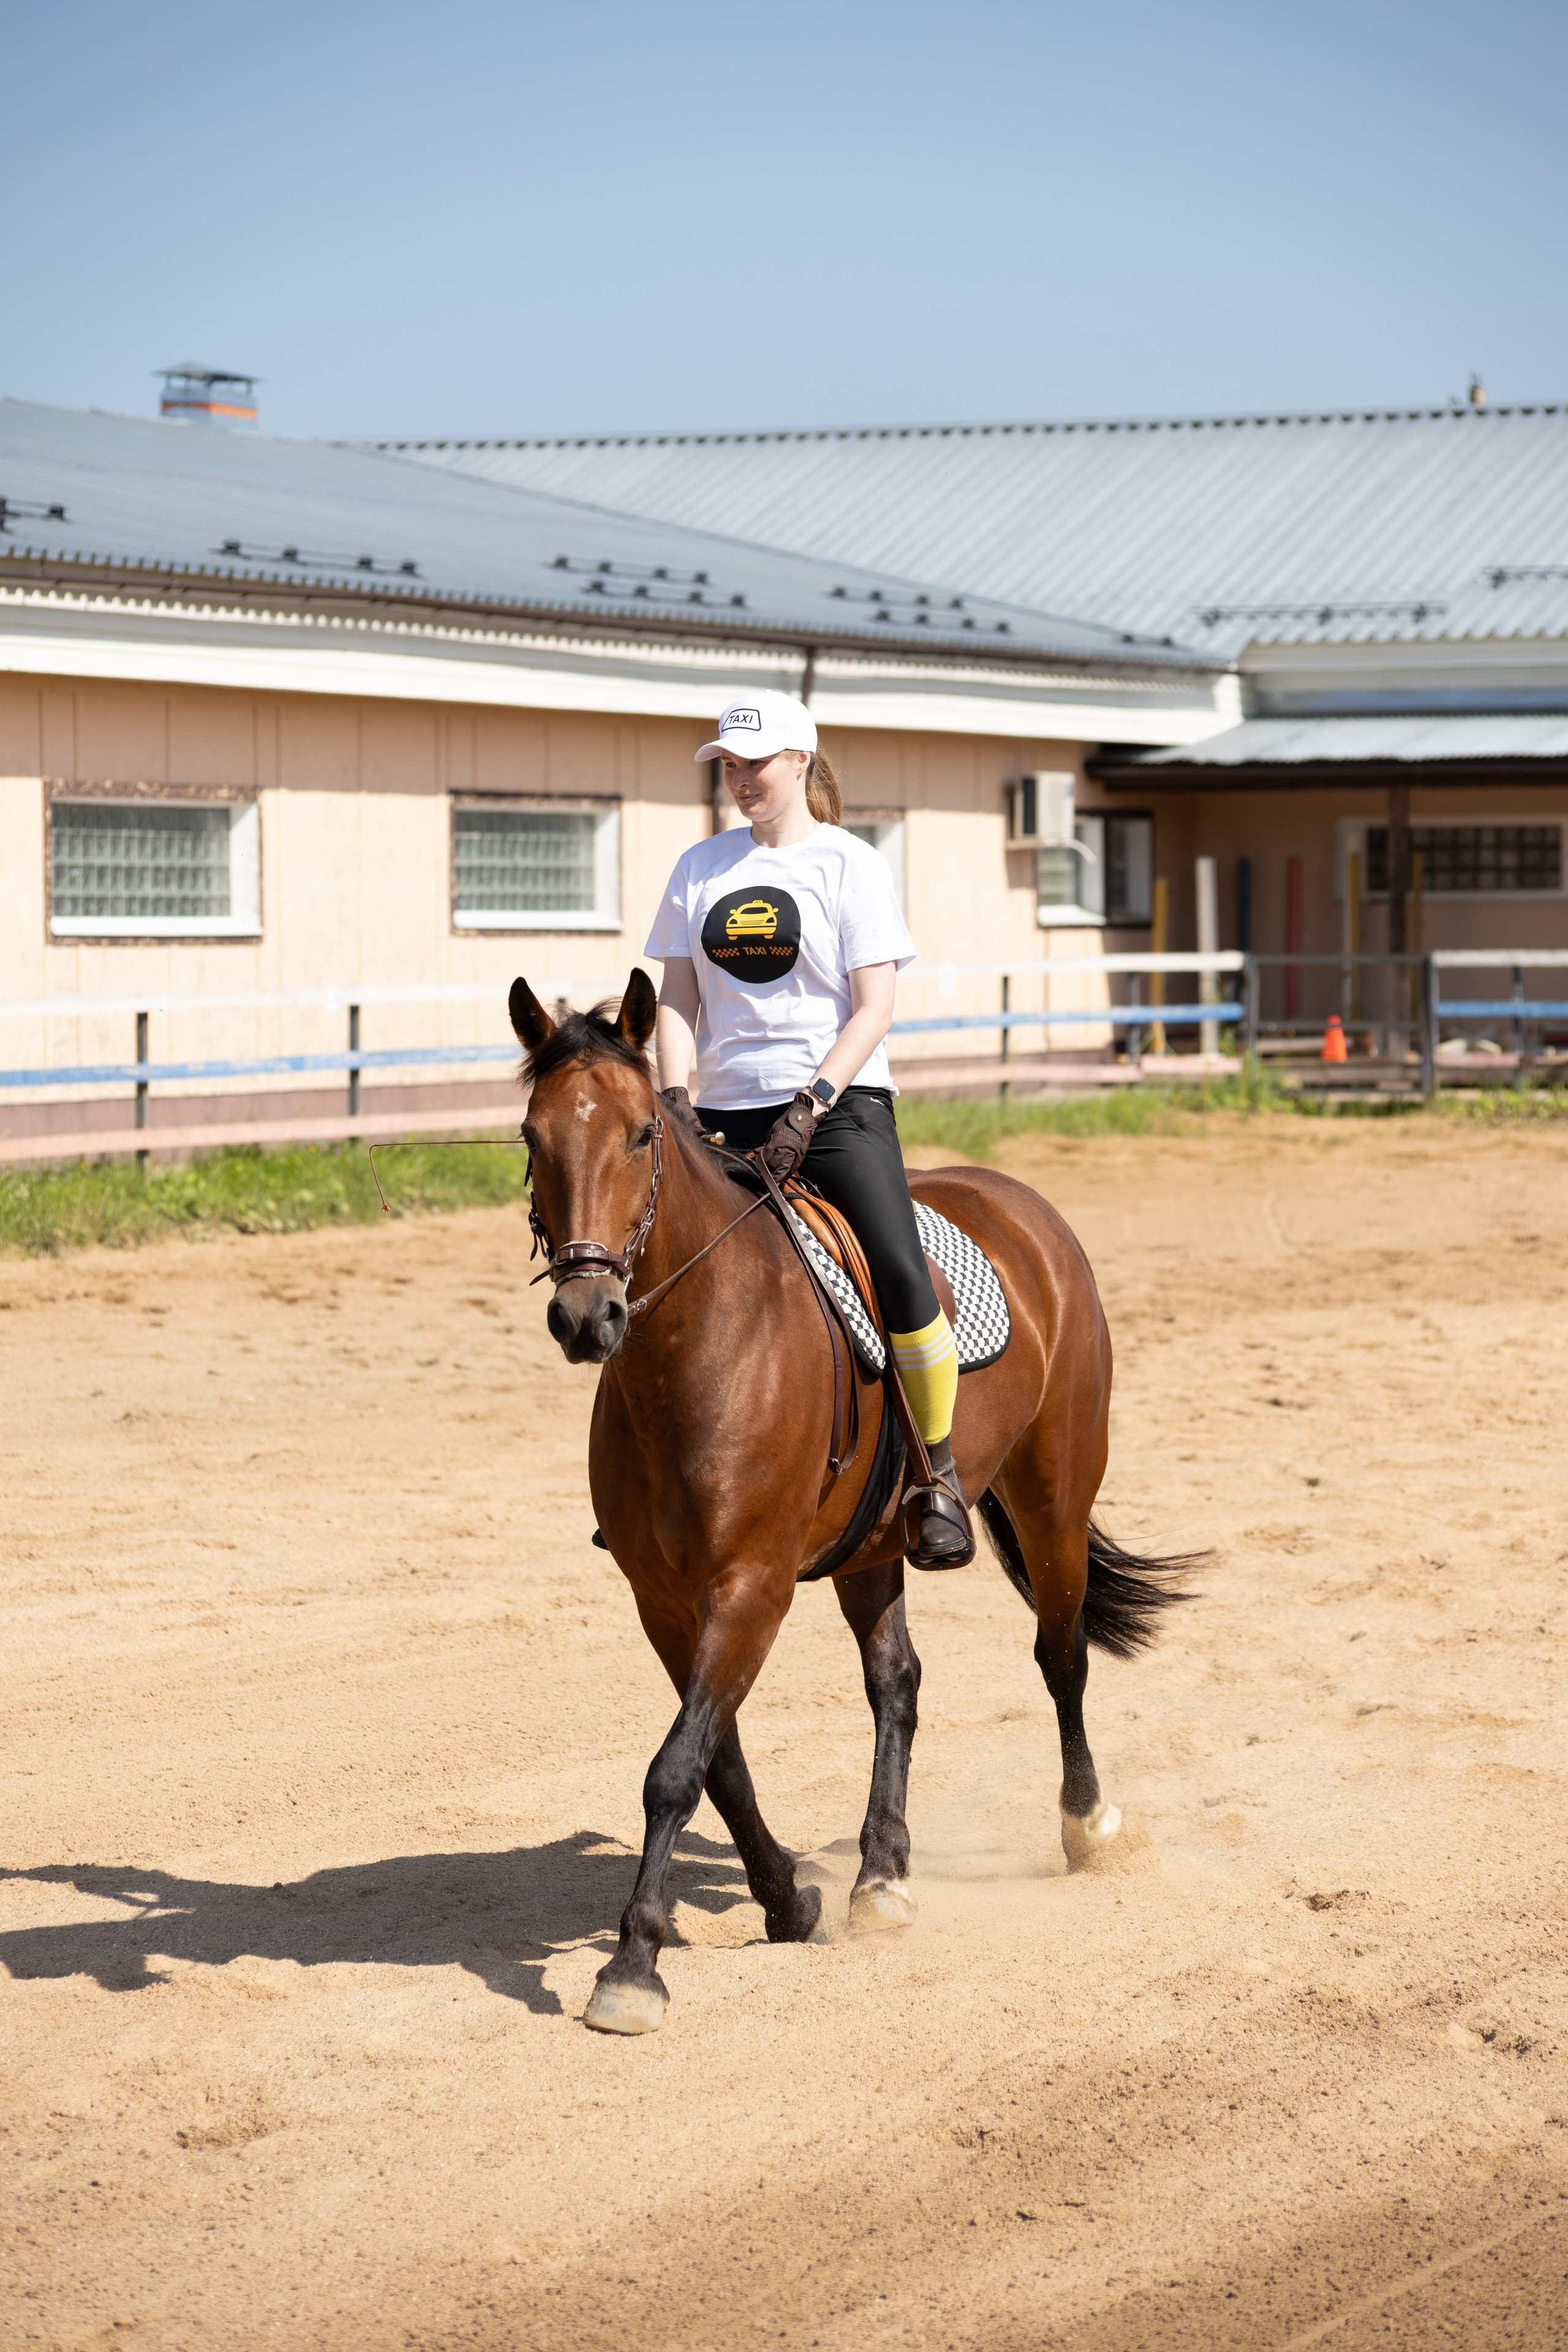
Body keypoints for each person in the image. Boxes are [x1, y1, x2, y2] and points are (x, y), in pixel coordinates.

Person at [644, 689, 973, 1567]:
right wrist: (674, 1096)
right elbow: (677, 995)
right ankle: (651, 1477)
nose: (741, 779)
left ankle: (935, 1474)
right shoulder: (700, 866)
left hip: (836, 1107)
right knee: (646, 1275)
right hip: (718, 1112)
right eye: (730, 765)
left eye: (756, 764)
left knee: (901, 1271)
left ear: (799, 762)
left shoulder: (848, 864)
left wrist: (812, 1104)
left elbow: (875, 1009)